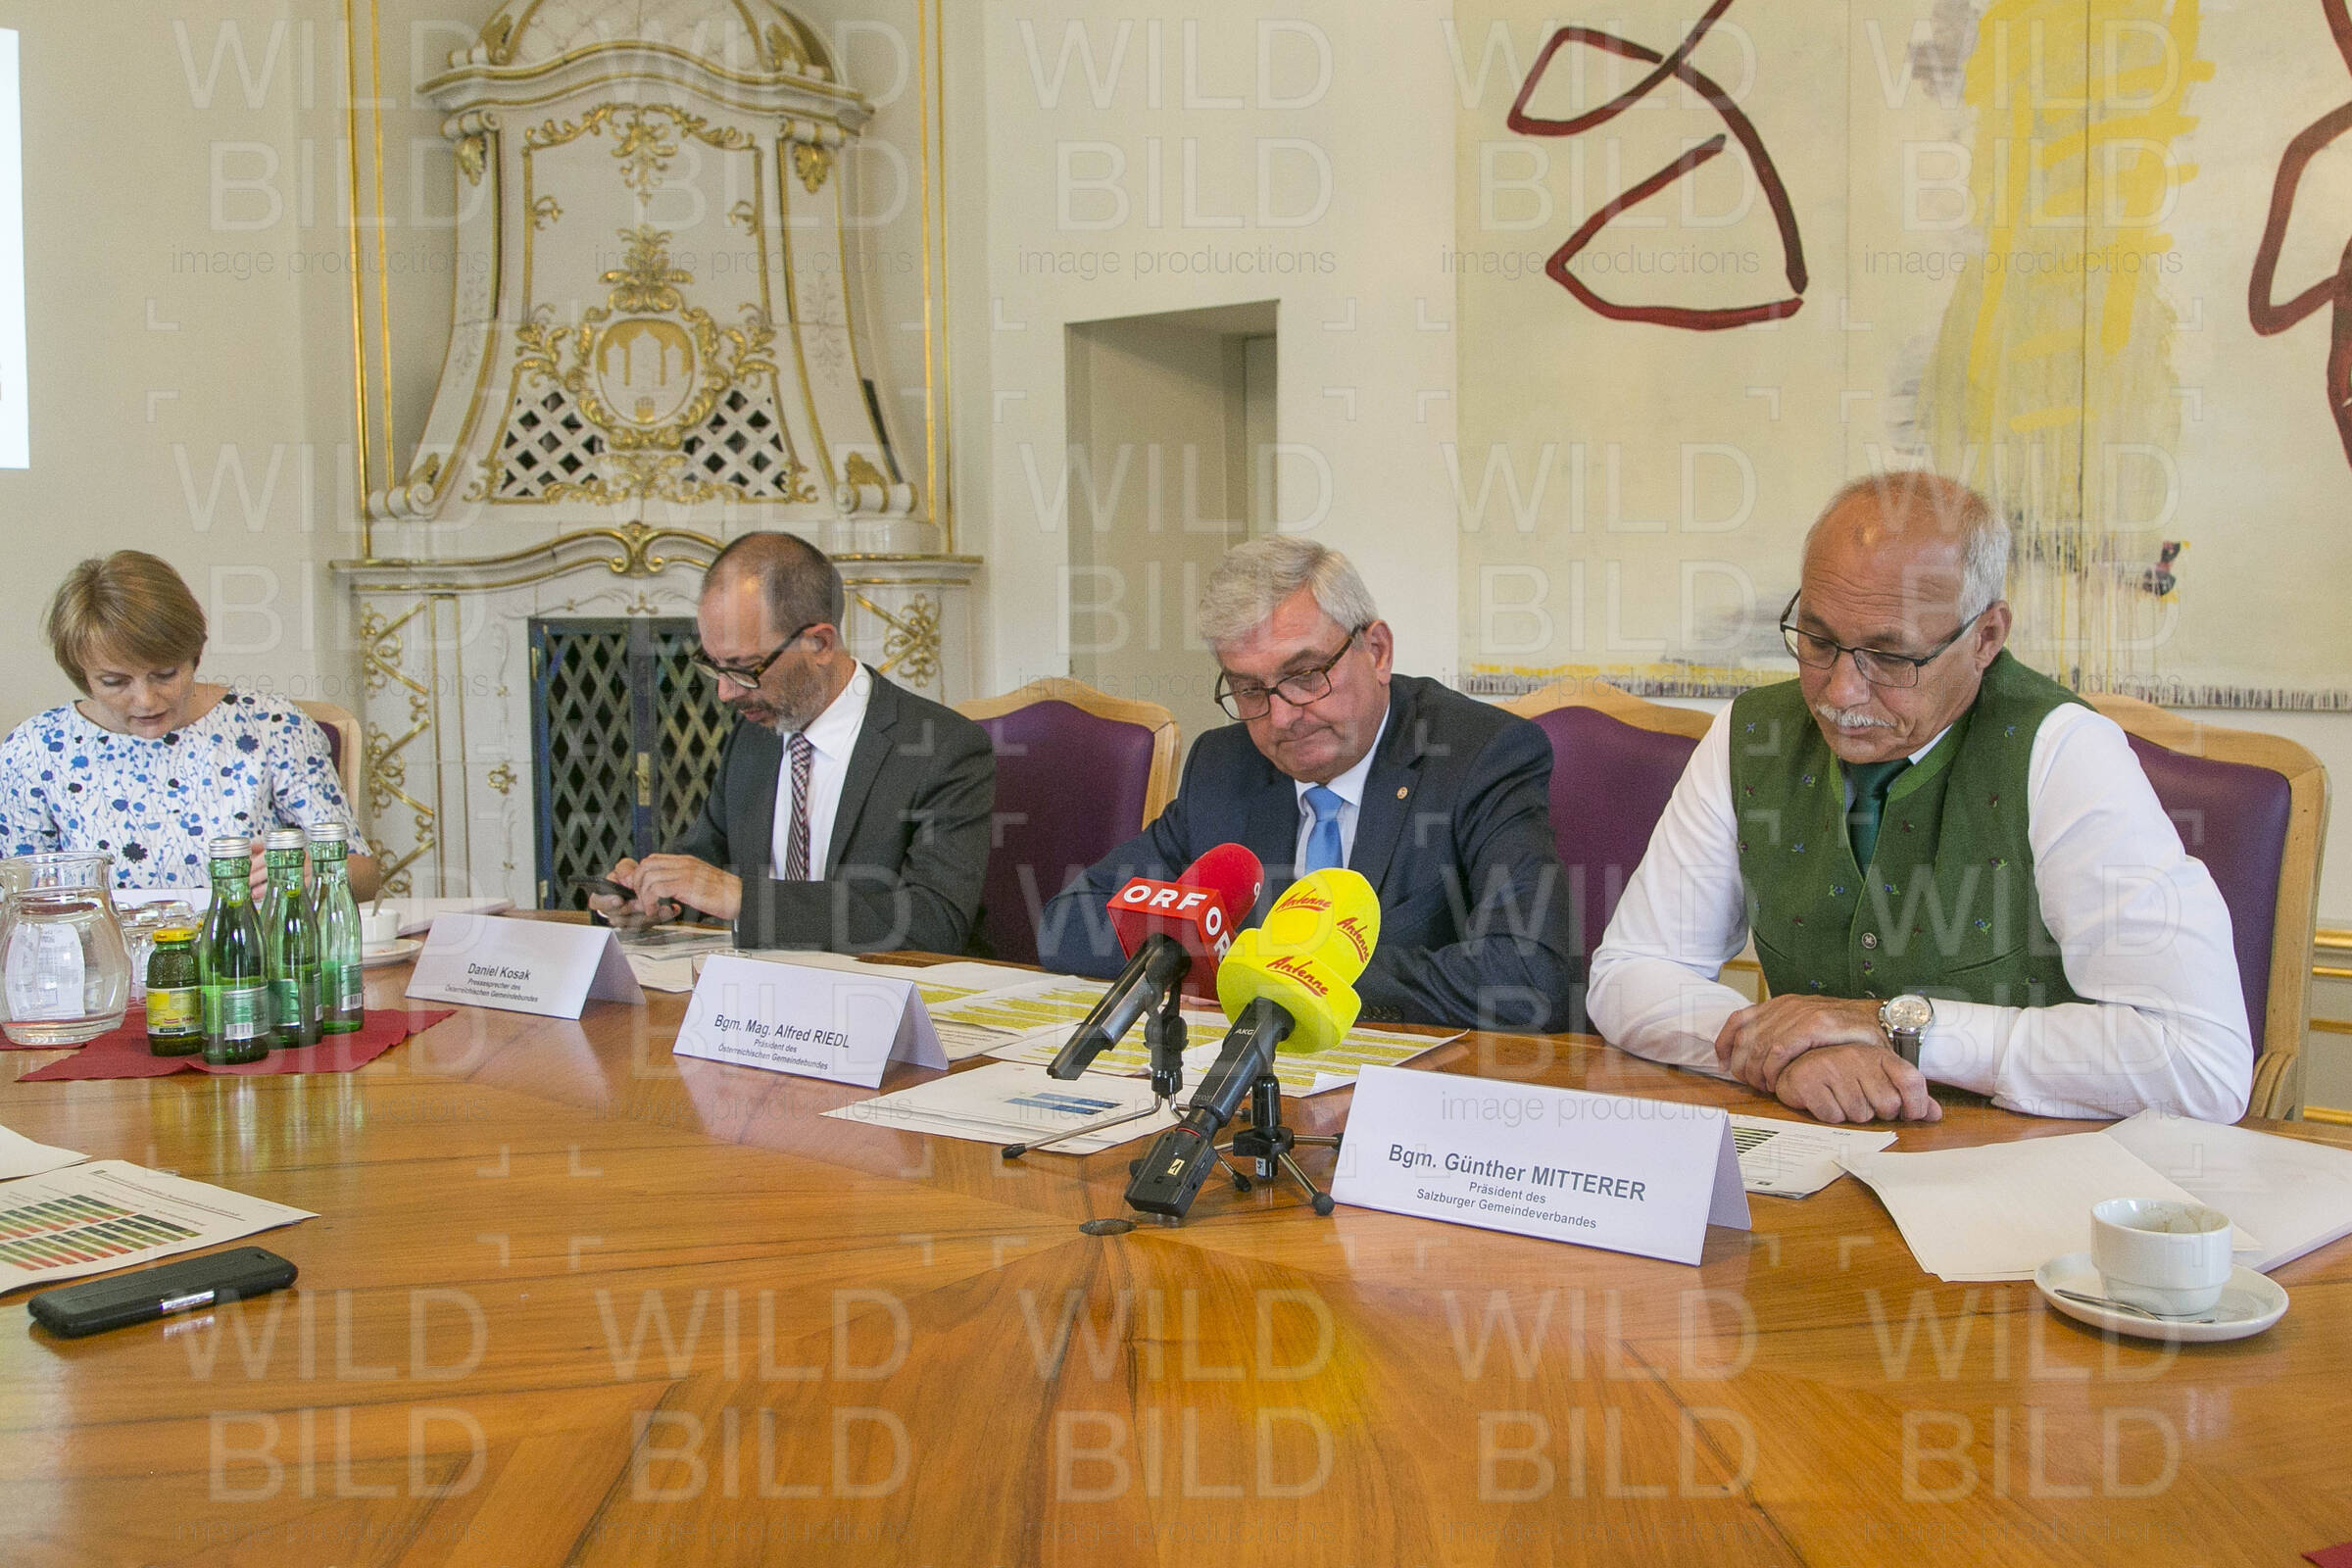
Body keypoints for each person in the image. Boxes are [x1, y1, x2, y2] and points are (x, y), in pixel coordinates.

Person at [1589, 473, 2250, 1124]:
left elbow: (2202, 1065)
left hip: (2027, 1159)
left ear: (1986, 637)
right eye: (1817, 641)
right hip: (1819, 1148)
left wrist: (1899, 1029)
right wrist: (1788, 1054)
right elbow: (1631, 971)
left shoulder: (2064, 752)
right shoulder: (1752, 735)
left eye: (1890, 656)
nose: (1840, 691)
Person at [1036, 537, 1578, 1030]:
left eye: (1304, 676)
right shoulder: (1224, 766)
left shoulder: (1479, 755)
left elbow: (1528, 976)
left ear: (1378, 652)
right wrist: (1231, 966)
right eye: (1250, 689)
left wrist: (1283, 977)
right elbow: (1070, 923)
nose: (1281, 717)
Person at [590, 532, 995, 954]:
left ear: (820, 644)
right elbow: (707, 864)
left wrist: (746, 899)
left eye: (744, 669)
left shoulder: (942, 748)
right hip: (759, 988)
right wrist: (650, 898)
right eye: (714, 666)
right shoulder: (754, 737)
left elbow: (933, 923)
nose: (725, 693)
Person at [0, 551, 380, 900]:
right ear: (81, 675)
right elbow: (19, 902)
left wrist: (321, 872)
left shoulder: (272, 726)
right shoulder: (34, 750)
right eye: (115, 682)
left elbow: (365, 876)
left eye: (165, 674)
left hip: (249, 949)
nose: (146, 700)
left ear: (194, 654)